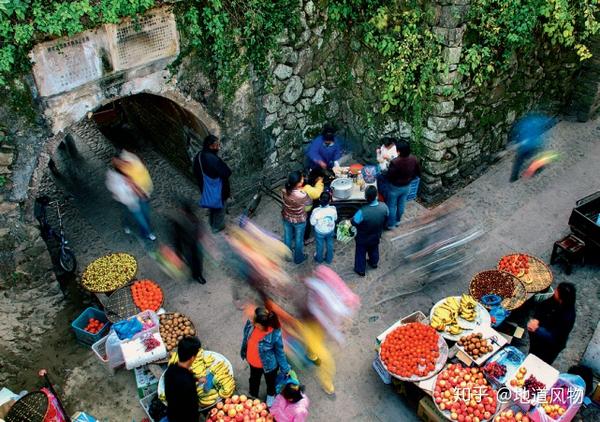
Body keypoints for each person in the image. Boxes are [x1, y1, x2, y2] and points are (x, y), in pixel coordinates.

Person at [241, 307, 291, 407]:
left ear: (260, 325)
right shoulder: (251, 324)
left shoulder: (274, 334)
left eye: (254, 319)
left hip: (269, 366)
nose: (251, 318)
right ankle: (253, 396)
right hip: (253, 363)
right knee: (254, 380)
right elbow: (245, 338)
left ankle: (270, 395)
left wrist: (285, 368)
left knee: (270, 382)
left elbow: (279, 352)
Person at [106, 156, 156, 241]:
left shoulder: (131, 172)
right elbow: (121, 195)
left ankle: (143, 230)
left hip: (140, 198)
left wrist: (141, 192)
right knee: (135, 216)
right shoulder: (114, 179)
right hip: (130, 202)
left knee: (145, 215)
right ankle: (146, 232)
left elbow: (141, 180)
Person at [527, 282, 576, 365]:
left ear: (562, 298)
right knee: (532, 355)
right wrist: (537, 319)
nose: (555, 291)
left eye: (557, 290)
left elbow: (555, 337)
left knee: (541, 364)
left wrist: (537, 329)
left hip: (550, 347)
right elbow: (542, 306)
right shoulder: (555, 299)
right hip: (538, 338)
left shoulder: (568, 317)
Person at [193, 135, 232, 233]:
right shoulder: (212, 159)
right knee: (219, 208)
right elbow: (226, 172)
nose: (219, 146)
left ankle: (211, 223)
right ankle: (217, 227)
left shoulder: (199, 155)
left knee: (212, 206)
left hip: (206, 188)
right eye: (217, 145)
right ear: (210, 146)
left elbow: (195, 171)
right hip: (218, 189)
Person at [351, 185, 389, 276]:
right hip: (376, 235)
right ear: (376, 195)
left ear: (366, 197)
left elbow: (354, 222)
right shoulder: (384, 207)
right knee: (374, 249)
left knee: (360, 252)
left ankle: (360, 270)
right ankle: (374, 263)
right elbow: (386, 218)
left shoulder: (362, 211)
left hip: (362, 237)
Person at [163, 336, 202, 422]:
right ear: (192, 358)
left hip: (171, 413)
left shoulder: (170, 370)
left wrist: (196, 379)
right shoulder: (188, 382)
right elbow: (193, 407)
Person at [509, 113, 556, 182]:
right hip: (535, 144)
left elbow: (516, 134)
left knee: (519, 161)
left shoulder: (523, 123)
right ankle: (538, 168)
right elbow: (549, 123)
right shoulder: (539, 120)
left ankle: (513, 177)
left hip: (524, 147)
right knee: (537, 157)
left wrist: (516, 143)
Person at [385, 139, 420, 229]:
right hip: (407, 186)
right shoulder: (414, 158)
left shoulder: (395, 162)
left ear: (398, 151)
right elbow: (418, 172)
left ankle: (391, 225)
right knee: (401, 204)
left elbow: (389, 176)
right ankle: (397, 220)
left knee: (391, 206)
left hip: (395, 187)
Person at [170, 200, 206, 284]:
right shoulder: (184, 220)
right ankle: (197, 275)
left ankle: (198, 275)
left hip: (192, 243)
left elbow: (176, 237)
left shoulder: (191, 218)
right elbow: (176, 237)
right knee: (194, 260)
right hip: (189, 244)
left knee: (197, 259)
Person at [282, 171, 311, 264]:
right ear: (298, 183)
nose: (303, 179)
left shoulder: (284, 190)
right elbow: (309, 204)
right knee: (299, 240)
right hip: (299, 221)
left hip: (287, 217)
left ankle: (287, 255)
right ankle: (298, 258)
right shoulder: (302, 195)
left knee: (287, 236)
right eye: (302, 179)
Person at [310, 192, 337, 264]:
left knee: (320, 245)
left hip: (320, 232)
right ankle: (329, 259)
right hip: (330, 230)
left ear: (319, 199)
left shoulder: (316, 211)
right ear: (330, 201)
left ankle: (319, 259)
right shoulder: (333, 209)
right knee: (330, 243)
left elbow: (312, 223)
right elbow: (335, 218)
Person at [301, 169, 325, 245]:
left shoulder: (292, 186)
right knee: (307, 221)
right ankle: (306, 239)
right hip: (304, 208)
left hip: (294, 206)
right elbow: (317, 194)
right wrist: (320, 182)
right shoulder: (306, 188)